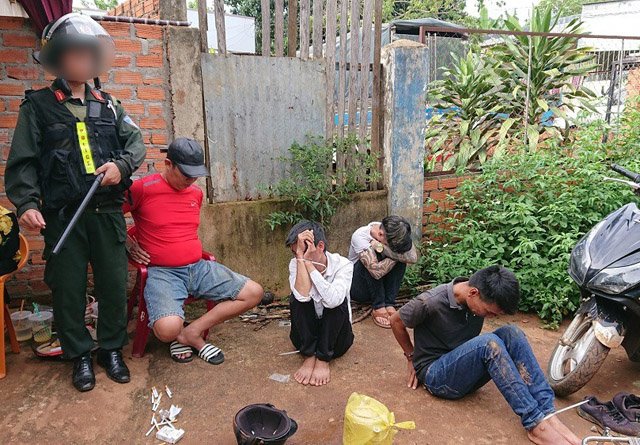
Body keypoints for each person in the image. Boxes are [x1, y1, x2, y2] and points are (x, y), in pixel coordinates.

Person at [6, 14, 146, 392]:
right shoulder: (37, 106)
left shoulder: (110, 105)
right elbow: (23, 162)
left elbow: (135, 144)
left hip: (107, 213)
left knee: (113, 284)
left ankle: (110, 349)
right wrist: (26, 204)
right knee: (67, 288)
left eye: (88, 54)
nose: (82, 61)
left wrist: (120, 166)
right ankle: (79, 354)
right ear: (58, 58)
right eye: (74, 54)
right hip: (63, 215)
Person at [390, 266, 581, 445]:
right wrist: (411, 357)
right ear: (473, 293)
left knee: (512, 332)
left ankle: (548, 413)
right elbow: (395, 321)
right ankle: (535, 423)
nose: (490, 317)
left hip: (463, 369)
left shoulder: (475, 295)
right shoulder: (430, 301)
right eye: (489, 313)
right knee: (489, 344)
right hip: (436, 376)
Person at [124, 138, 264, 365]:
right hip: (163, 273)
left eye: (196, 175)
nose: (191, 180)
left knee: (254, 293)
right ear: (168, 164)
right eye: (186, 175)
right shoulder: (142, 189)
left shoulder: (195, 194)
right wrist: (128, 244)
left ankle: (191, 332)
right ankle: (178, 333)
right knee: (167, 329)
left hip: (198, 268)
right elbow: (107, 216)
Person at [285, 221, 354, 386]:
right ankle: (309, 355)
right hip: (305, 338)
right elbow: (302, 298)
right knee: (296, 297)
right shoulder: (296, 262)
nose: (299, 256)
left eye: (303, 251)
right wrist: (302, 259)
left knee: (336, 299)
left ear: (320, 246)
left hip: (336, 340)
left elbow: (333, 300)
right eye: (295, 252)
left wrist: (309, 265)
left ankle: (323, 358)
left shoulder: (343, 265)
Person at [349, 216, 417, 328]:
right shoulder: (360, 236)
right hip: (359, 287)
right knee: (371, 258)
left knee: (400, 252)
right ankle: (378, 306)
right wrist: (398, 255)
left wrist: (381, 247)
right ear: (380, 234)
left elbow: (413, 257)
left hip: (382, 285)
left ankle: (389, 303)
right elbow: (376, 272)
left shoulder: (395, 231)